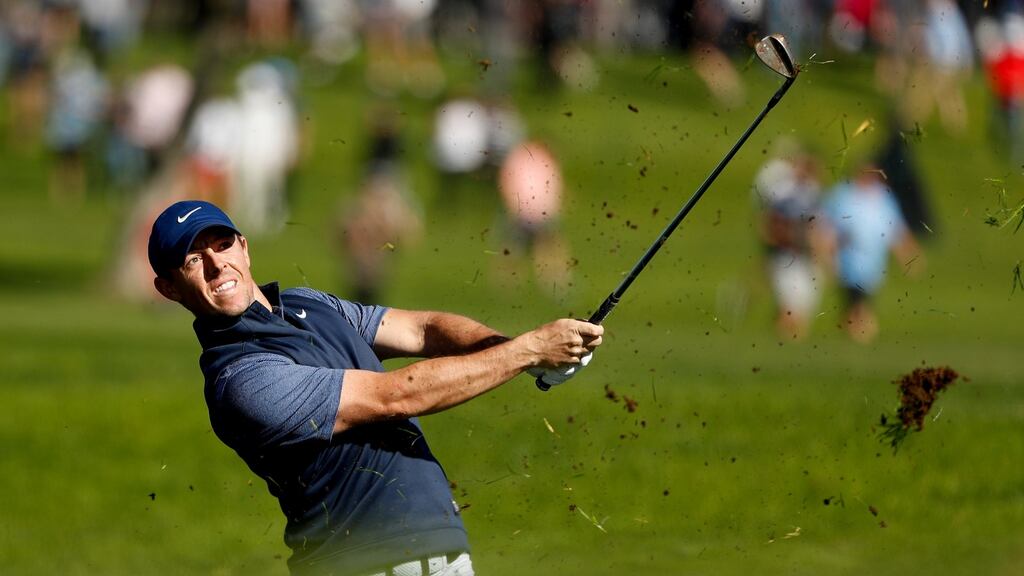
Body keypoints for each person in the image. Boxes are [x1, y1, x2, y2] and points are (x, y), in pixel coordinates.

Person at [147, 200, 603, 576]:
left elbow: (422, 330)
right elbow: (394, 396)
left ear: (244, 248)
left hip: (430, 556)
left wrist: (519, 354)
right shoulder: (242, 378)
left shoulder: (309, 305)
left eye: (222, 244)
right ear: (168, 288)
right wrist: (526, 352)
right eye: (192, 260)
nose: (215, 264)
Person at [823, 166, 922, 343]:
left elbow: (895, 229)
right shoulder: (843, 193)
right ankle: (861, 332)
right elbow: (826, 225)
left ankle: (856, 332)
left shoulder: (883, 197)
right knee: (857, 300)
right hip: (847, 258)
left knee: (859, 300)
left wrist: (908, 255)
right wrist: (828, 255)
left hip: (873, 261)